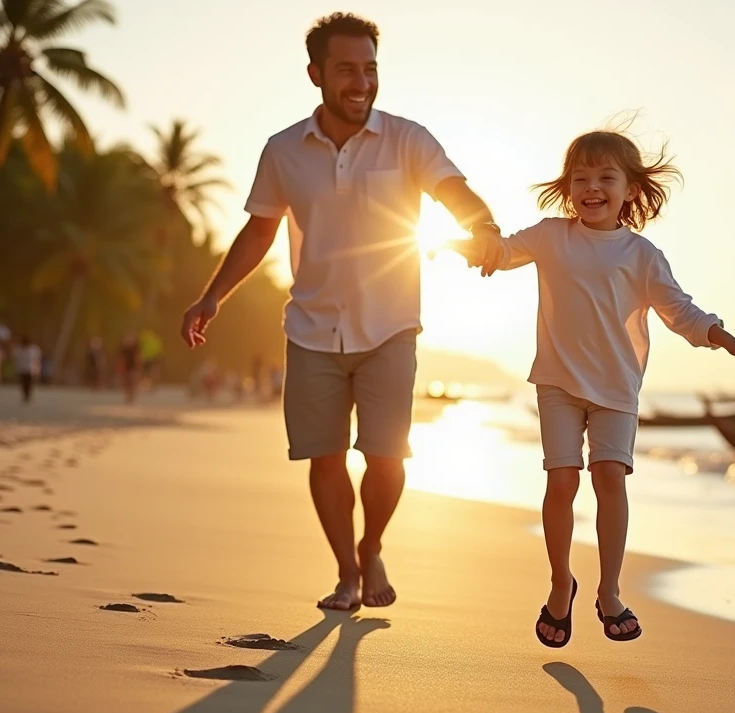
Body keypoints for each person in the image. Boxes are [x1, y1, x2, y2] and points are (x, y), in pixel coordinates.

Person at [180, 12, 502, 610]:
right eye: (348, 69)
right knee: (324, 458)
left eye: (370, 69)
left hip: (390, 327)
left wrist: (482, 226)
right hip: (312, 329)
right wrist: (212, 296)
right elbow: (259, 231)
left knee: (387, 459)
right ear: (316, 74)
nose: (362, 82)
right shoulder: (283, 150)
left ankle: (371, 545)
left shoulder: (408, 139)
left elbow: (453, 191)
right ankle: (347, 573)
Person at [443, 130, 735, 647]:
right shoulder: (551, 236)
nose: (591, 187)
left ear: (630, 189)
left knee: (610, 478)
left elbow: (681, 312)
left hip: (616, 388)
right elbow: (502, 253)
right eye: (580, 178)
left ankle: (609, 591)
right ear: (568, 187)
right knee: (562, 480)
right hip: (556, 381)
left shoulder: (641, 254)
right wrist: (468, 244)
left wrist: (728, 340)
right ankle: (560, 584)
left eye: (605, 177)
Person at [14, 335, 42, 404]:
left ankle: (28, 397)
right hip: (21, 369)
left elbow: (37, 360)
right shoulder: (19, 349)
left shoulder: (33, 349)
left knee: (29, 384)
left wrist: (37, 369)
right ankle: (25, 396)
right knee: (23, 384)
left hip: (30, 369)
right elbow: (16, 360)